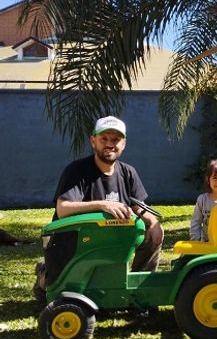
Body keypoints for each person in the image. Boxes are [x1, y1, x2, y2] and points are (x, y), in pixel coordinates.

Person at [33, 116, 164, 300]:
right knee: (54, 286)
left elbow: (138, 206)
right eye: (104, 139)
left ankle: (139, 291)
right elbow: (63, 209)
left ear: (123, 144)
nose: (110, 144)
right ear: (93, 141)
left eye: (115, 140)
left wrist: (154, 223)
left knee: (153, 232)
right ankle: (44, 273)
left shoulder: (128, 173)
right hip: (76, 239)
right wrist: (103, 205)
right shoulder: (77, 171)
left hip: (111, 237)